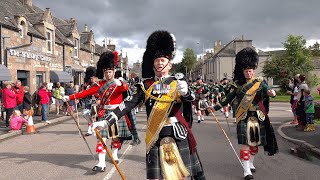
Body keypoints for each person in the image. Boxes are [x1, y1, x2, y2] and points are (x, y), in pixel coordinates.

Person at [92, 30, 205, 180]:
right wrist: (106, 121)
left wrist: (186, 93)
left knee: (179, 176)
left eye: (163, 60)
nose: (159, 63)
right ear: (152, 63)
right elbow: (126, 104)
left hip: (177, 133)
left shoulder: (177, 82)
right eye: (157, 60)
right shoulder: (145, 85)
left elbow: (193, 99)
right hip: (155, 135)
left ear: (169, 64)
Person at [209, 47, 278, 180]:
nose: (248, 73)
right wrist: (215, 107)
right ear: (243, 71)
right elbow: (227, 99)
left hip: (258, 116)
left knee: (255, 144)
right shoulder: (237, 85)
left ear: (253, 71)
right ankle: (246, 170)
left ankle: (250, 162)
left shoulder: (259, 83)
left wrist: (271, 92)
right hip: (243, 116)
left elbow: (268, 90)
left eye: (250, 71)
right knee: (245, 144)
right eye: (246, 71)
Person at [63, 50, 132, 172]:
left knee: (115, 138)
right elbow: (84, 93)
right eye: (106, 72)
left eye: (110, 72)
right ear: (103, 72)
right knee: (101, 139)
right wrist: (70, 97)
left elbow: (126, 88)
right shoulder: (100, 84)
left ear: (113, 71)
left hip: (117, 114)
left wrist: (120, 83)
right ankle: (101, 163)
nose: (108, 74)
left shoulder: (119, 83)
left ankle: (115, 155)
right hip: (104, 114)